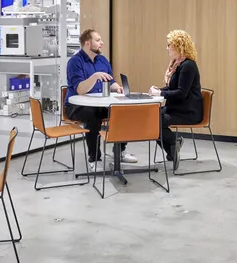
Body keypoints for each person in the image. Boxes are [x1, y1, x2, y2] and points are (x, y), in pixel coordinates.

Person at [65, 29, 137, 170]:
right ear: (87, 43)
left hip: (99, 105)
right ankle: (94, 158)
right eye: (98, 40)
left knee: (122, 112)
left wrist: (117, 88)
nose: (101, 43)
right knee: (93, 115)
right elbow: (80, 89)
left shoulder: (102, 60)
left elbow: (110, 81)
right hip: (75, 107)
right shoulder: (75, 62)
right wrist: (94, 76)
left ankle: (120, 151)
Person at [148, 30, 203, 172]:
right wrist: (157, 90)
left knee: (154, 122)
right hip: (177, 108)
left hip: (188, 111)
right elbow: (172, 88)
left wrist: (160, 93)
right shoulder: (178, 65)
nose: (167, 48)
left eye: (169, 45)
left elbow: (181, 93)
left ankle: (174, 142)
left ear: (179, 46)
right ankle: (173, 150)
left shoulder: (188, 66)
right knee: (149, 118)